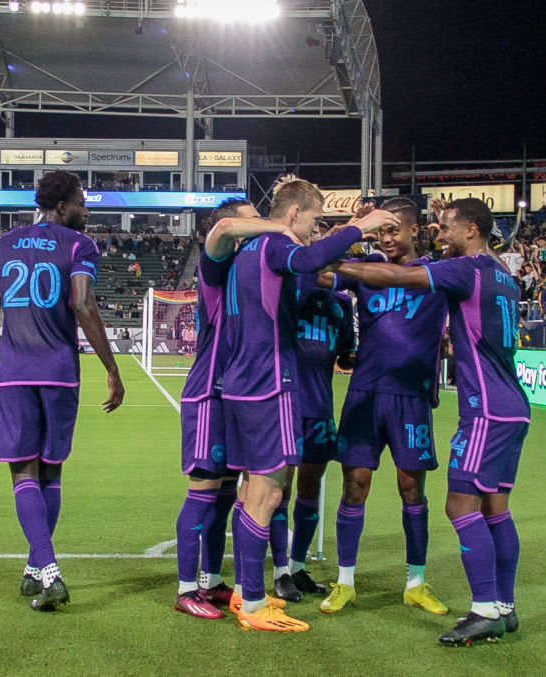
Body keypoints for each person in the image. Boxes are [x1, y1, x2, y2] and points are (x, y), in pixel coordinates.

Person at [334, 197, 530, 646]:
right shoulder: (502, 272)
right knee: (496, 510)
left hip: (485, 408)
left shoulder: (467, 270)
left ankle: (482, 610)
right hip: (514, 405)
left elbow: (400, 276)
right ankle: (504, 607)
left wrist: (343, 263)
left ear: (471, 232)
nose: (438, 234)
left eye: (446, 227)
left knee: (459, 507)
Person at [220, 177, 395, 632]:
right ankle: (254, 603)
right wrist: (362, 225)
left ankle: (246, 591)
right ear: (294, 214)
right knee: (268, 492)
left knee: (253, 492)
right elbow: (312, 257)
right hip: (268, 383)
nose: (317, 229)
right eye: (315, 219)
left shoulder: (248, 252)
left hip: (243, 381)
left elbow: (313, 269)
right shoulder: (277, 242)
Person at [0, 170, 124, 612]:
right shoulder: (79, 245)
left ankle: (41, 567)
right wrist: (112, 369)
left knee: (23, 473)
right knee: (50, 472)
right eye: (82, 203)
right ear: (62, 206)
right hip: (60, 372)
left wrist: (3, 344)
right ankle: (43, 570)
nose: (86, 211)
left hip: (15, 373)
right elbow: (82, 303)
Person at [315, 197, 450, 618]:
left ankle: (415, 582)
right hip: (366, 393)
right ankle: (345, 582)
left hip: (411, 396)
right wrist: (356, 225)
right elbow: (316, 265)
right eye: (382, 232)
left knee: (413, 489)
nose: (387, 239)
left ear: (415, 230)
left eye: (395, 230)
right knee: (355, 485)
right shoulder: (365, 271)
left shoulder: (439, 273)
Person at [173, 198, 298, 620]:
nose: (259, 227)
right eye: (253, 220)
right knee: (202, 493)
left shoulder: (246, 271)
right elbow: (227, 225)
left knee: (227, 496)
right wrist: (281, 226)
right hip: (209, 391)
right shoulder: (214, 269)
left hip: (234, 392)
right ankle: (186, 588)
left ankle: (211, 580)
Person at [273, 225, 358, 602]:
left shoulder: (341, 304)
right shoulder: (289, 286)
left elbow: (344, 357)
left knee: (311, 489)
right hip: (285, 403)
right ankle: (278, 571)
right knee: (279, 490)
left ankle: (296, 566)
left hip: (320, 407)